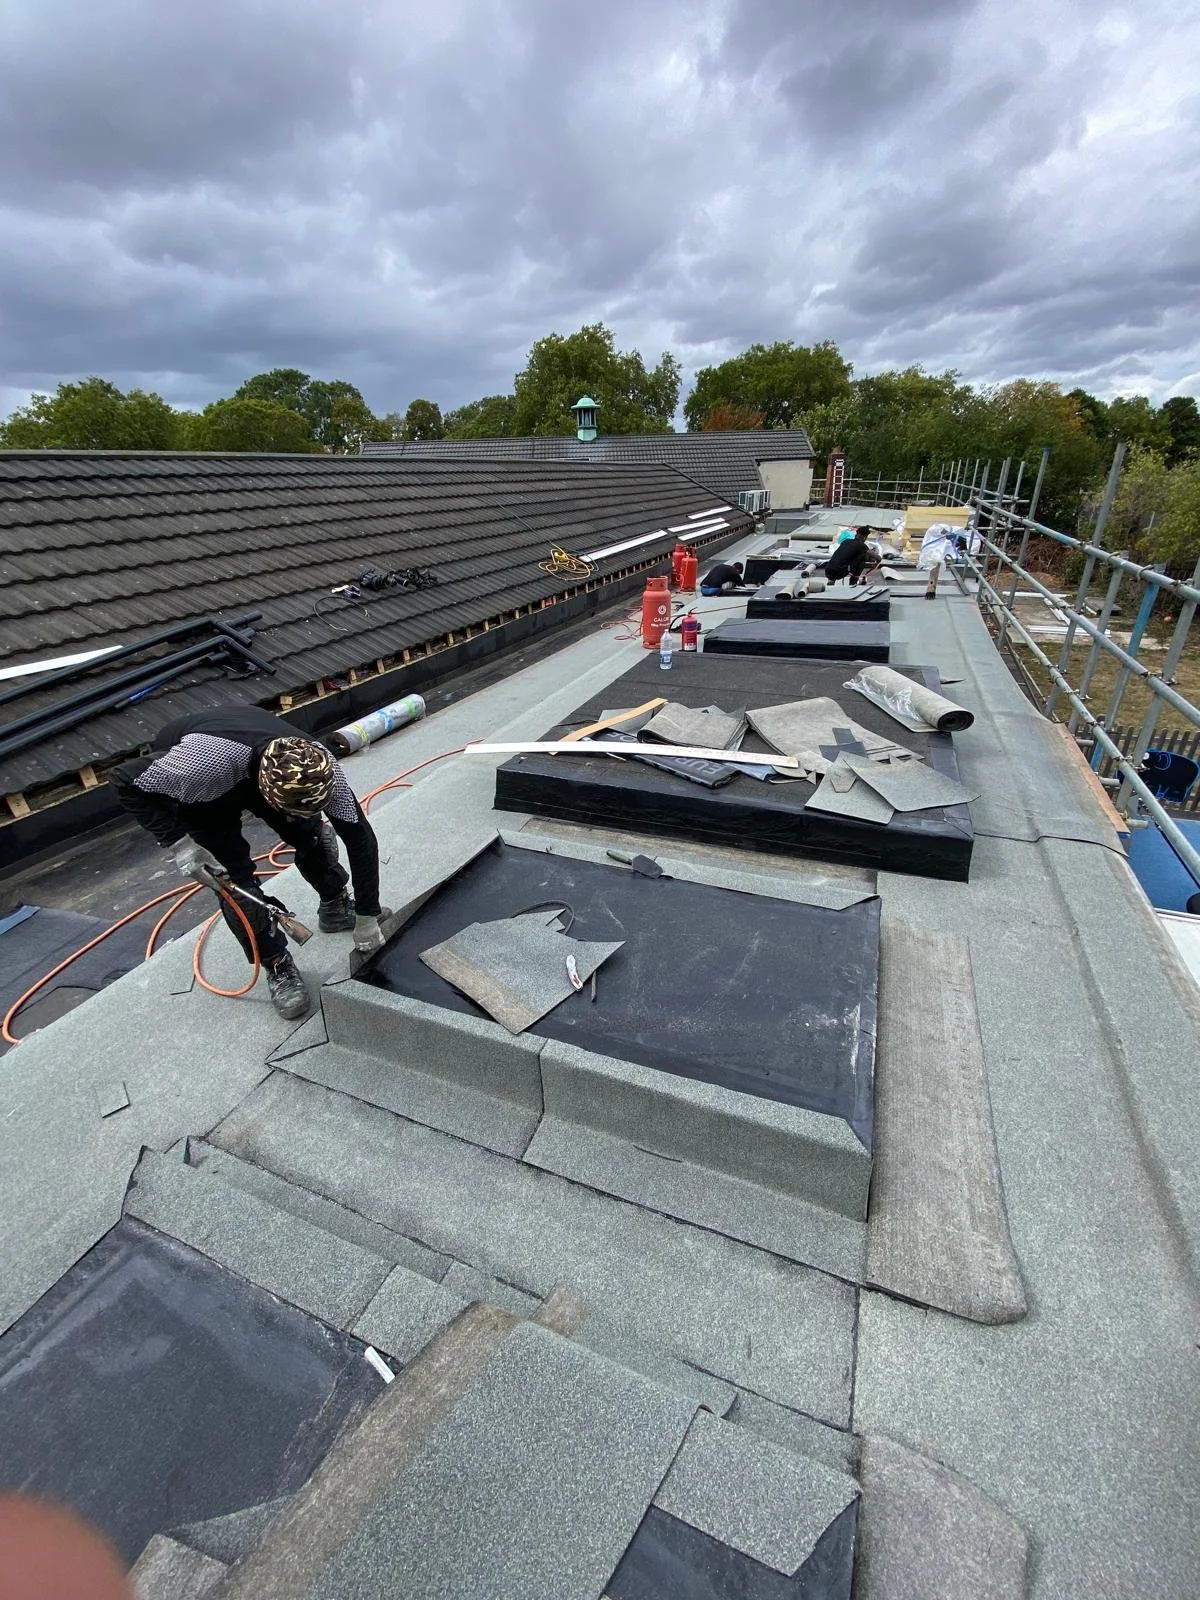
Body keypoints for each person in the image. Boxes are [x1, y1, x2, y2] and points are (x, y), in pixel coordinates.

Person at [111, 706, 389, 1021]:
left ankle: (336, 905)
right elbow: (122, 780)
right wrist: (180, 843)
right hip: (203, 788)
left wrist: (368, 914)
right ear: (269, 796)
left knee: (314, 837)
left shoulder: (318, 765)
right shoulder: (194, 768)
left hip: (251, 759)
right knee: (233, 882)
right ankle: (276, 963)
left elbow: (360, 838)